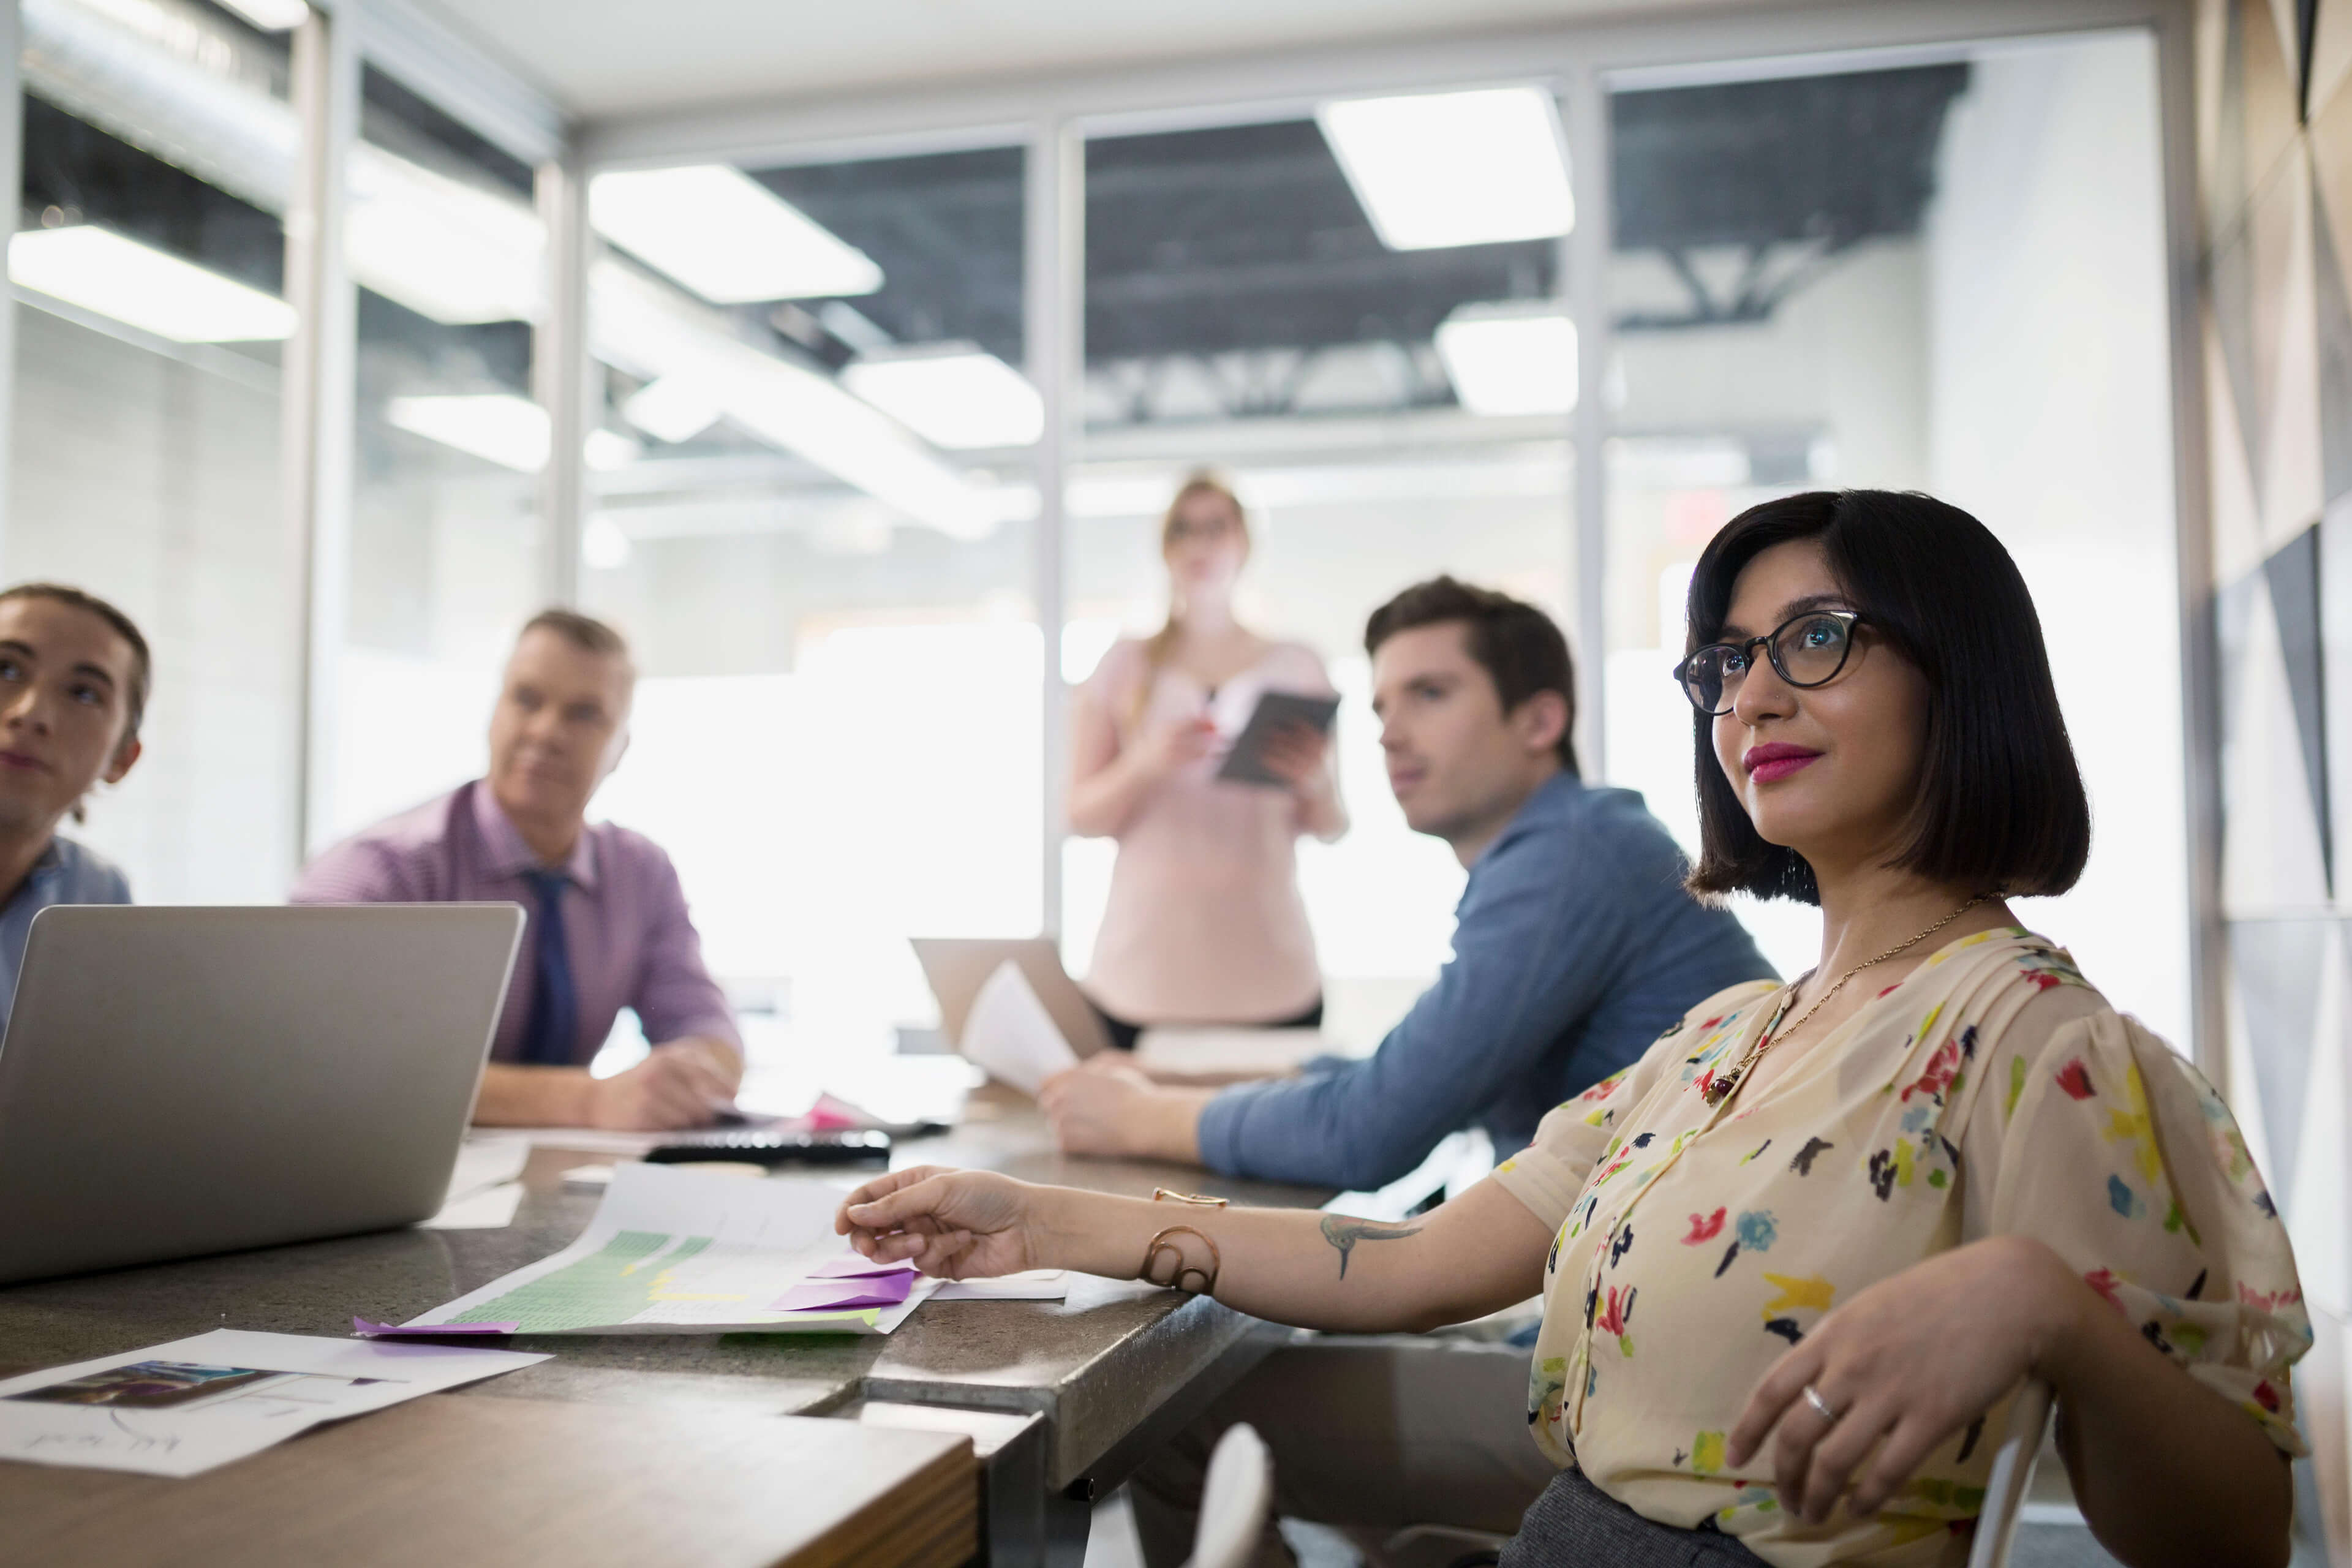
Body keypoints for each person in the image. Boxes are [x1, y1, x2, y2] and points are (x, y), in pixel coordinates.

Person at [838, 491, 2305, 1568]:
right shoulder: (1730, 1032)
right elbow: (1409, 1261)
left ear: (1959, 672)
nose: (1753, 694)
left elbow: (2235, 1531)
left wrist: (2046, 1304)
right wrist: (1033, 1214)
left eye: (1815, 638)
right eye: (1725, 661)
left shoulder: (2028, 1032)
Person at [1042, 576, 1775, 1194]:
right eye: (1382, 707)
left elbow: (1366, 1132)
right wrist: (1172, 1083)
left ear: (1540, 720)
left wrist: (1136, 1118)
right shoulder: (1567, 846)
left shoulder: (1571, 855)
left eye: (1429, 693)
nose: (1389, 733)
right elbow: (1411, 1075)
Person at [293, 609, 742, 1132]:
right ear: (494, 713)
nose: (547, 731)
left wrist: (685, 1078)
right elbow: (325, 1057)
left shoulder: (642, 873)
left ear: (621, 747)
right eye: (526, 699)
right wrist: (586, 1102)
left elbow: (706, 1027)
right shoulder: (378, 870)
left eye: (584, 714)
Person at [1069, 473, 1346, 1051]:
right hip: (1140, 979)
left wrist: (1314, 781)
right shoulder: (1125, 665)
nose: (1200, 545)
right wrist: (1145, 763)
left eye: (1216, 528)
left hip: (1272, 977)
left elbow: (1333, 825)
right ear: (1166, 548)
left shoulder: (1298, 666)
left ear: (1244, 543)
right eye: (1184, 530)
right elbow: (1079, 815)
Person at [0, 584, 145, 1026]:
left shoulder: (98, 898)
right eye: (6, 669)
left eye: (83, 694)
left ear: (121, 759)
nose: (32, 713)